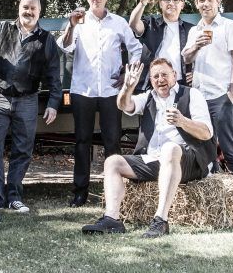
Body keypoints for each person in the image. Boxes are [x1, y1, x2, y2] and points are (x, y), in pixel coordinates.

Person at [81, 58, 215, 238]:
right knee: (112, 162)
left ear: (174, 75)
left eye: (164, 74)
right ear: (151, 80)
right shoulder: (148, 97)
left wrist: (183, 121)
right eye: (155, 76)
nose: (160, 79)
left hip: (188, 161)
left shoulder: (192, 94)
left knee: (169, 148)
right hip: (155, 160)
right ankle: (112, 219)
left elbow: (206, 133)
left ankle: (160, 220)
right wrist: (128, 87)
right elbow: (123, 105)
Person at [0, 0, 62, 214]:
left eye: (33, 8)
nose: (28, 12)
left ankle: (14, 196)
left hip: (28, 100)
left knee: (23, 149)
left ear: (39, 11)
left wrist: (53, 103)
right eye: (25, 7)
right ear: (19, 8)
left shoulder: (46, 39)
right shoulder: (2, 28)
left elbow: (54, 74)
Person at [57, 0, 142, 207]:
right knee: (82, 141)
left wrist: (128, 74)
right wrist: (71, 25)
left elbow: (136, 48)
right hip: (82, 90)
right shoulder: (78, 21)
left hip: (111, 92)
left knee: (112, 142)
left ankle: (114, 192)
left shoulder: (118, 22)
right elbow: (65, 46)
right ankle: (80, 192)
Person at [181, 0, 233, 179]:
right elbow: (186, 59)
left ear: (218, 1)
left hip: (221, 95)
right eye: (202, 0)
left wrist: (232, 91)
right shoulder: (195, 31)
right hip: (200, 98)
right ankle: (216, 192)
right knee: (207, 149)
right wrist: (196, 46)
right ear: (196, 3)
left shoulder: (229, 26)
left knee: (229, 148)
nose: (206, 4)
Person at [128, 0, 192, 90]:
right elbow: (133, 24)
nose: (171, 3)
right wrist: (142, 3)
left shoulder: (191, 29)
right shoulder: (150, 23)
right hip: (153, 85)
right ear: (160, 4)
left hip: (181, 85)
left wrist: (196, 74)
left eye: (176, 0)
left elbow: (200, 57)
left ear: (182, 4)